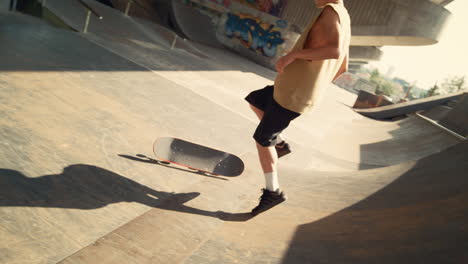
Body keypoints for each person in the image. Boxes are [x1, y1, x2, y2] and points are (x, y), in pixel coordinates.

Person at [245, 0, 351, 216]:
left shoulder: (331, 12)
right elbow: (343, 66)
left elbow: (334, 51)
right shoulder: (344, 16)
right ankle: (281, 145)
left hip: (293, 93)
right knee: (255, 100)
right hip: (292, 88)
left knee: (262, 140)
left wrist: (292, 56)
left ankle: (273, 191)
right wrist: (315, 82)